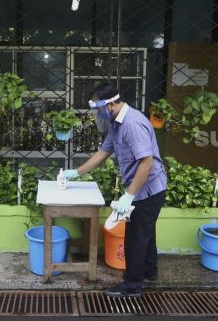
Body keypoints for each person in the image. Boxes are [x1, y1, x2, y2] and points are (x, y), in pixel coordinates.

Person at [63, 81, 167, 298]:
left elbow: (146, 163)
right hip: (145, 188)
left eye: (98, 110)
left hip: (147, 189)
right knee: (146, 232)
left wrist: (129, 196)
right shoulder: (117, 123)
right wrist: (76, 173)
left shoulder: (132, 124)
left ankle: (132, 286)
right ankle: (150, 271)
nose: (97, 115)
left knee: (135, 238)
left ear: (110, 105)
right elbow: (103, 153)